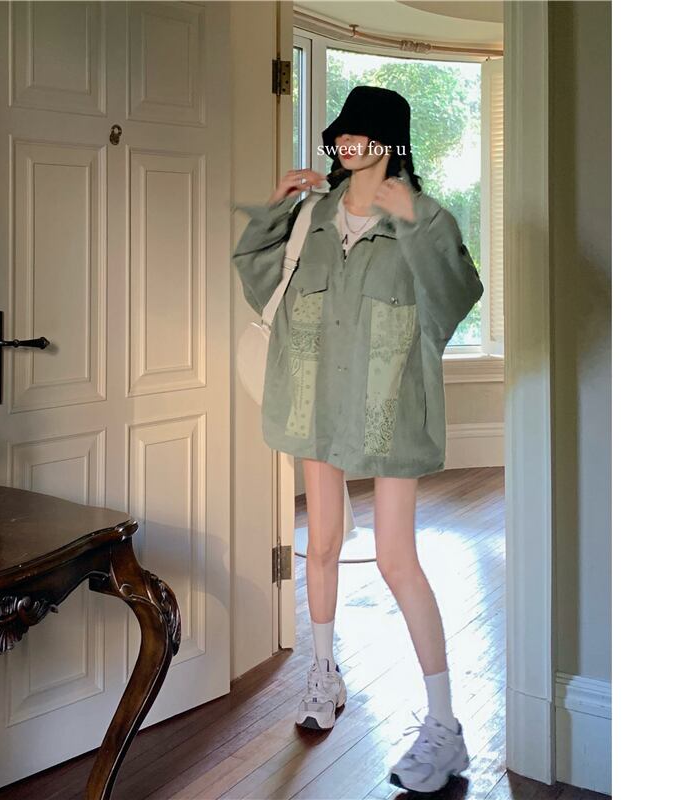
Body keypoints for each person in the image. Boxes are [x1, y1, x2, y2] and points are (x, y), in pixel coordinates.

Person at [232, 85, 483, 794]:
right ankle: (323, 674)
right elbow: (259, 282)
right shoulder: (313, 213)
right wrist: (276, 207)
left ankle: (445, 728)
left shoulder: (422, 216)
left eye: (361, 133)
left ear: (390, 142)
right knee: (322, 545)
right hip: (314, 403)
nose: (346, 143)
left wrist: (416, 222)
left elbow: (457, 295)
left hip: (387, 409)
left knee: (397, 559)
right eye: (341, 133)